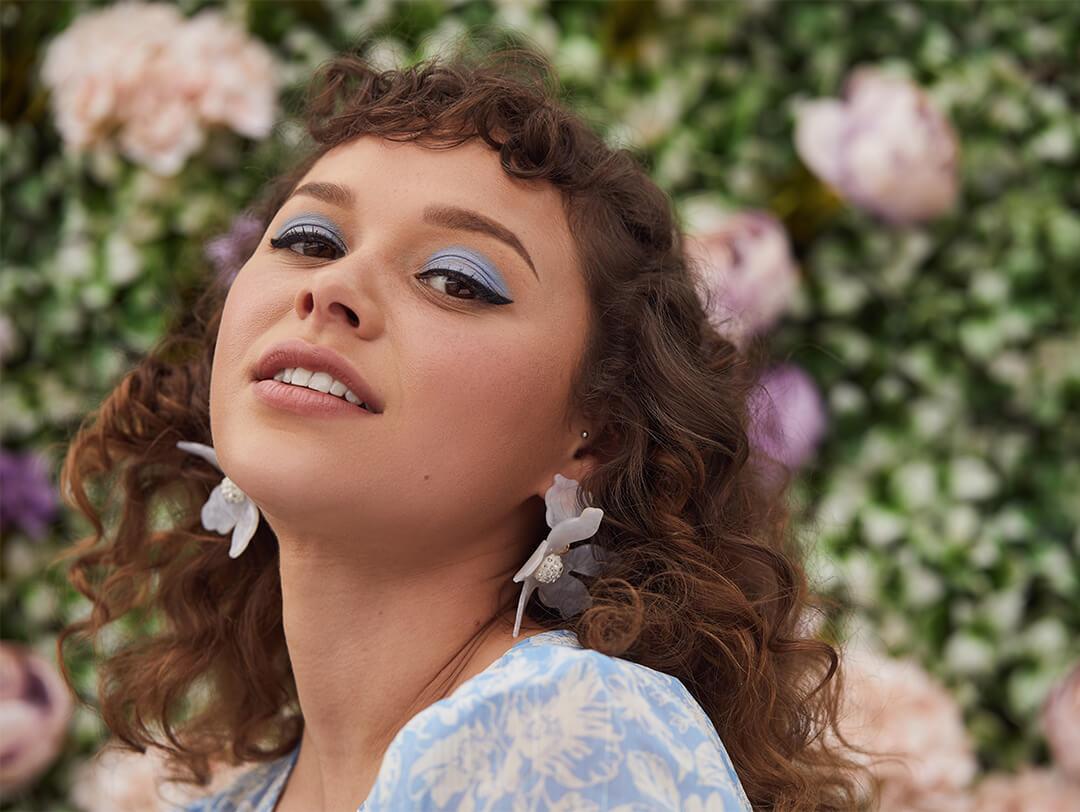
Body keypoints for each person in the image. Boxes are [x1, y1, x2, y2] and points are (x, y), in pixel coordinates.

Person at [55, 35, 877, 812]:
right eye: (308, 239)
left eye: (455, 279)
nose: (331, 287)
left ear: (594, 436)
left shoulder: (575, 738)